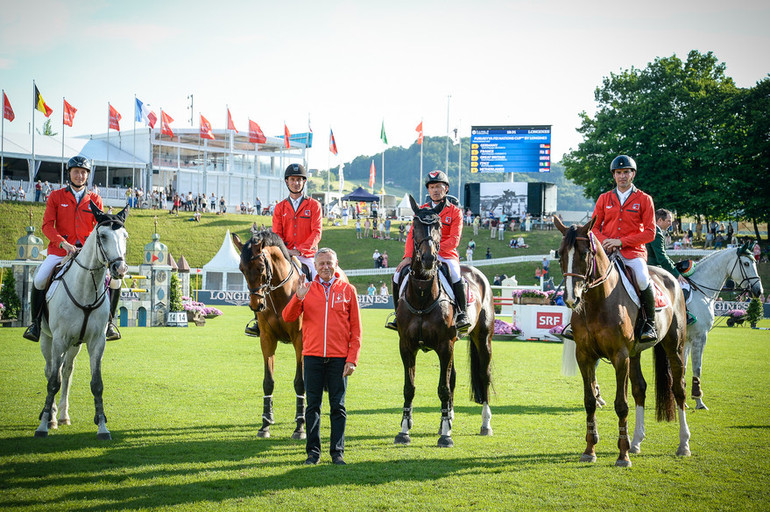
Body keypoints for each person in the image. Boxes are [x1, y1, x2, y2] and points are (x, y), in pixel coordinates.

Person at [23, 156, 122, 342]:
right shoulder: (56, 196)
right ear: (69, 173)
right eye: (76, 171)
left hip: (87, 255)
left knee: (115, 282)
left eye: (83, 172)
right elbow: (47, 226)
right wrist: (63, 243)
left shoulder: (95, 199)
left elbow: (98, 228)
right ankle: (35, 324)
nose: (80, 175)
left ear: (87, 176)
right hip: (60, 251)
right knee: (40, 278)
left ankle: (109, 323)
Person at [282, 248, 361, 465]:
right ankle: (313, 454)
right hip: (313, 357)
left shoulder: (348, 290)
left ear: (336, 264)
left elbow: (356, 329)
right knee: (312, 407)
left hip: (339, 359)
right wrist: (298, 298)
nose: (325, 266)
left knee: (338, 407)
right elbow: (288, 317)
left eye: (329, 263)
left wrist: (352, 358)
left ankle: (337, 453)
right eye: (321, 263)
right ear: (315, 267)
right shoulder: (306, 289)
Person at [387, 170, 470, 332]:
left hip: (446, 255)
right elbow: (412, 234)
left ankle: (462, 314)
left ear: (446, 189)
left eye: (439, 186)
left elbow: (454, 239)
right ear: (428, 190)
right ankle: (398, 314)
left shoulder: (455, 212)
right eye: (432, 187)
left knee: (455, 274)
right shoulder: (421, 210)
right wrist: (407, 257)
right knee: (398, 275)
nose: (435, 190)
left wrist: (434, 251)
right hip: (421, 255)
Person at [591, 155, 657, 344]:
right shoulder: (605, 198)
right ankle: (578, 323)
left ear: (633, 174)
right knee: (587, 276)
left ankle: (650, 324)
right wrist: (606, 241)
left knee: (643, 279)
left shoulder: (644, 199)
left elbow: (651, 232)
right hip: (607, 252)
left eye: (626, 172)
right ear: (614, 175)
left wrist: (620, 242)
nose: (622, 176)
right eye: (618, 173)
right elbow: (594, 228)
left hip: (633, 252)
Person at [271, 163, 323, 282]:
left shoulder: (314, 205)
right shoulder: (280, 207)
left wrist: (299, 250)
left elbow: (317, 232)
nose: (296, 183)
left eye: (299, 179)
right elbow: (277, 233)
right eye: (292, 179)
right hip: (286, 254)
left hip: (307, 256)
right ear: (287, 182)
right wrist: (285, 250)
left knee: (319, 282)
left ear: (304, 181)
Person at [646, 209, 695, 324]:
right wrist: (676, 274)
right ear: (659, 220)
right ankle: (682, 315)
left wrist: (673, 265)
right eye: (668, 221)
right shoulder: (656, 232)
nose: (670, 223)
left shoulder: (651, 229)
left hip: (649, 265)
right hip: (654, 267)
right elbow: (661, 258)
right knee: (683, 286)